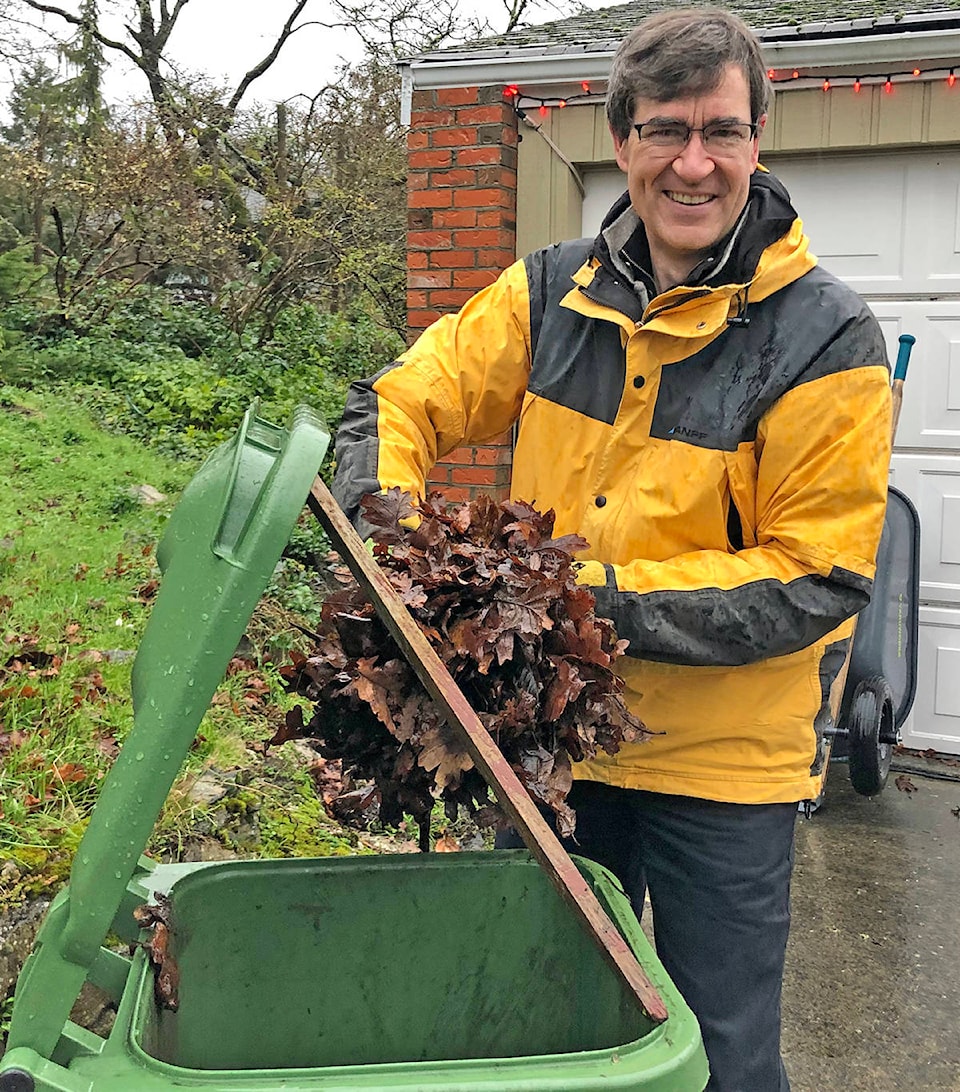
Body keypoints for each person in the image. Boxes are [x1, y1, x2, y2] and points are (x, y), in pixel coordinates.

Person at [332, 8, 892, 1089]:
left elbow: (811, 578)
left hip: (721, 774)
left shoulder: (826, 335)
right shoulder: (550, 293)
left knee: (719, 1056)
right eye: (667, 131)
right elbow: (397, 404)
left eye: (721, 132)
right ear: (620, 137)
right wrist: (392, 525)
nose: (695, 163)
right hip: (554, 751)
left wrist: (568, 600)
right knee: (539, 1034)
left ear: (758, 138)